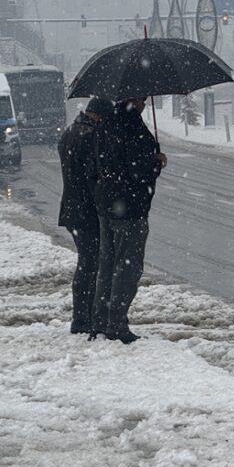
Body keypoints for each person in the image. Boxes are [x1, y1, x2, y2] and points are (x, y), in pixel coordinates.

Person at [91, 97, 167, 344]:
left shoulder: (106, 123)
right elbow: (135, 169)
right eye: (142, 97)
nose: (145, 101)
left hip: (108, 204)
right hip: (130, 207)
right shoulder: (131, 125)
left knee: (108, 264)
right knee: (127, 267)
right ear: (132, 98)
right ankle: (116, 323)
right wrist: (156, 163)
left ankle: (100, 320)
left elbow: (105, 164)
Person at [58, 97, 114, 335]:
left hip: (73, 209)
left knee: (87, 263)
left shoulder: (70, 131)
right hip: (87, 211)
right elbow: (94, 177)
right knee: (91, 264)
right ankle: (84, 319)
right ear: (97, 115)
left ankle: (83, 316)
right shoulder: (89, 136)